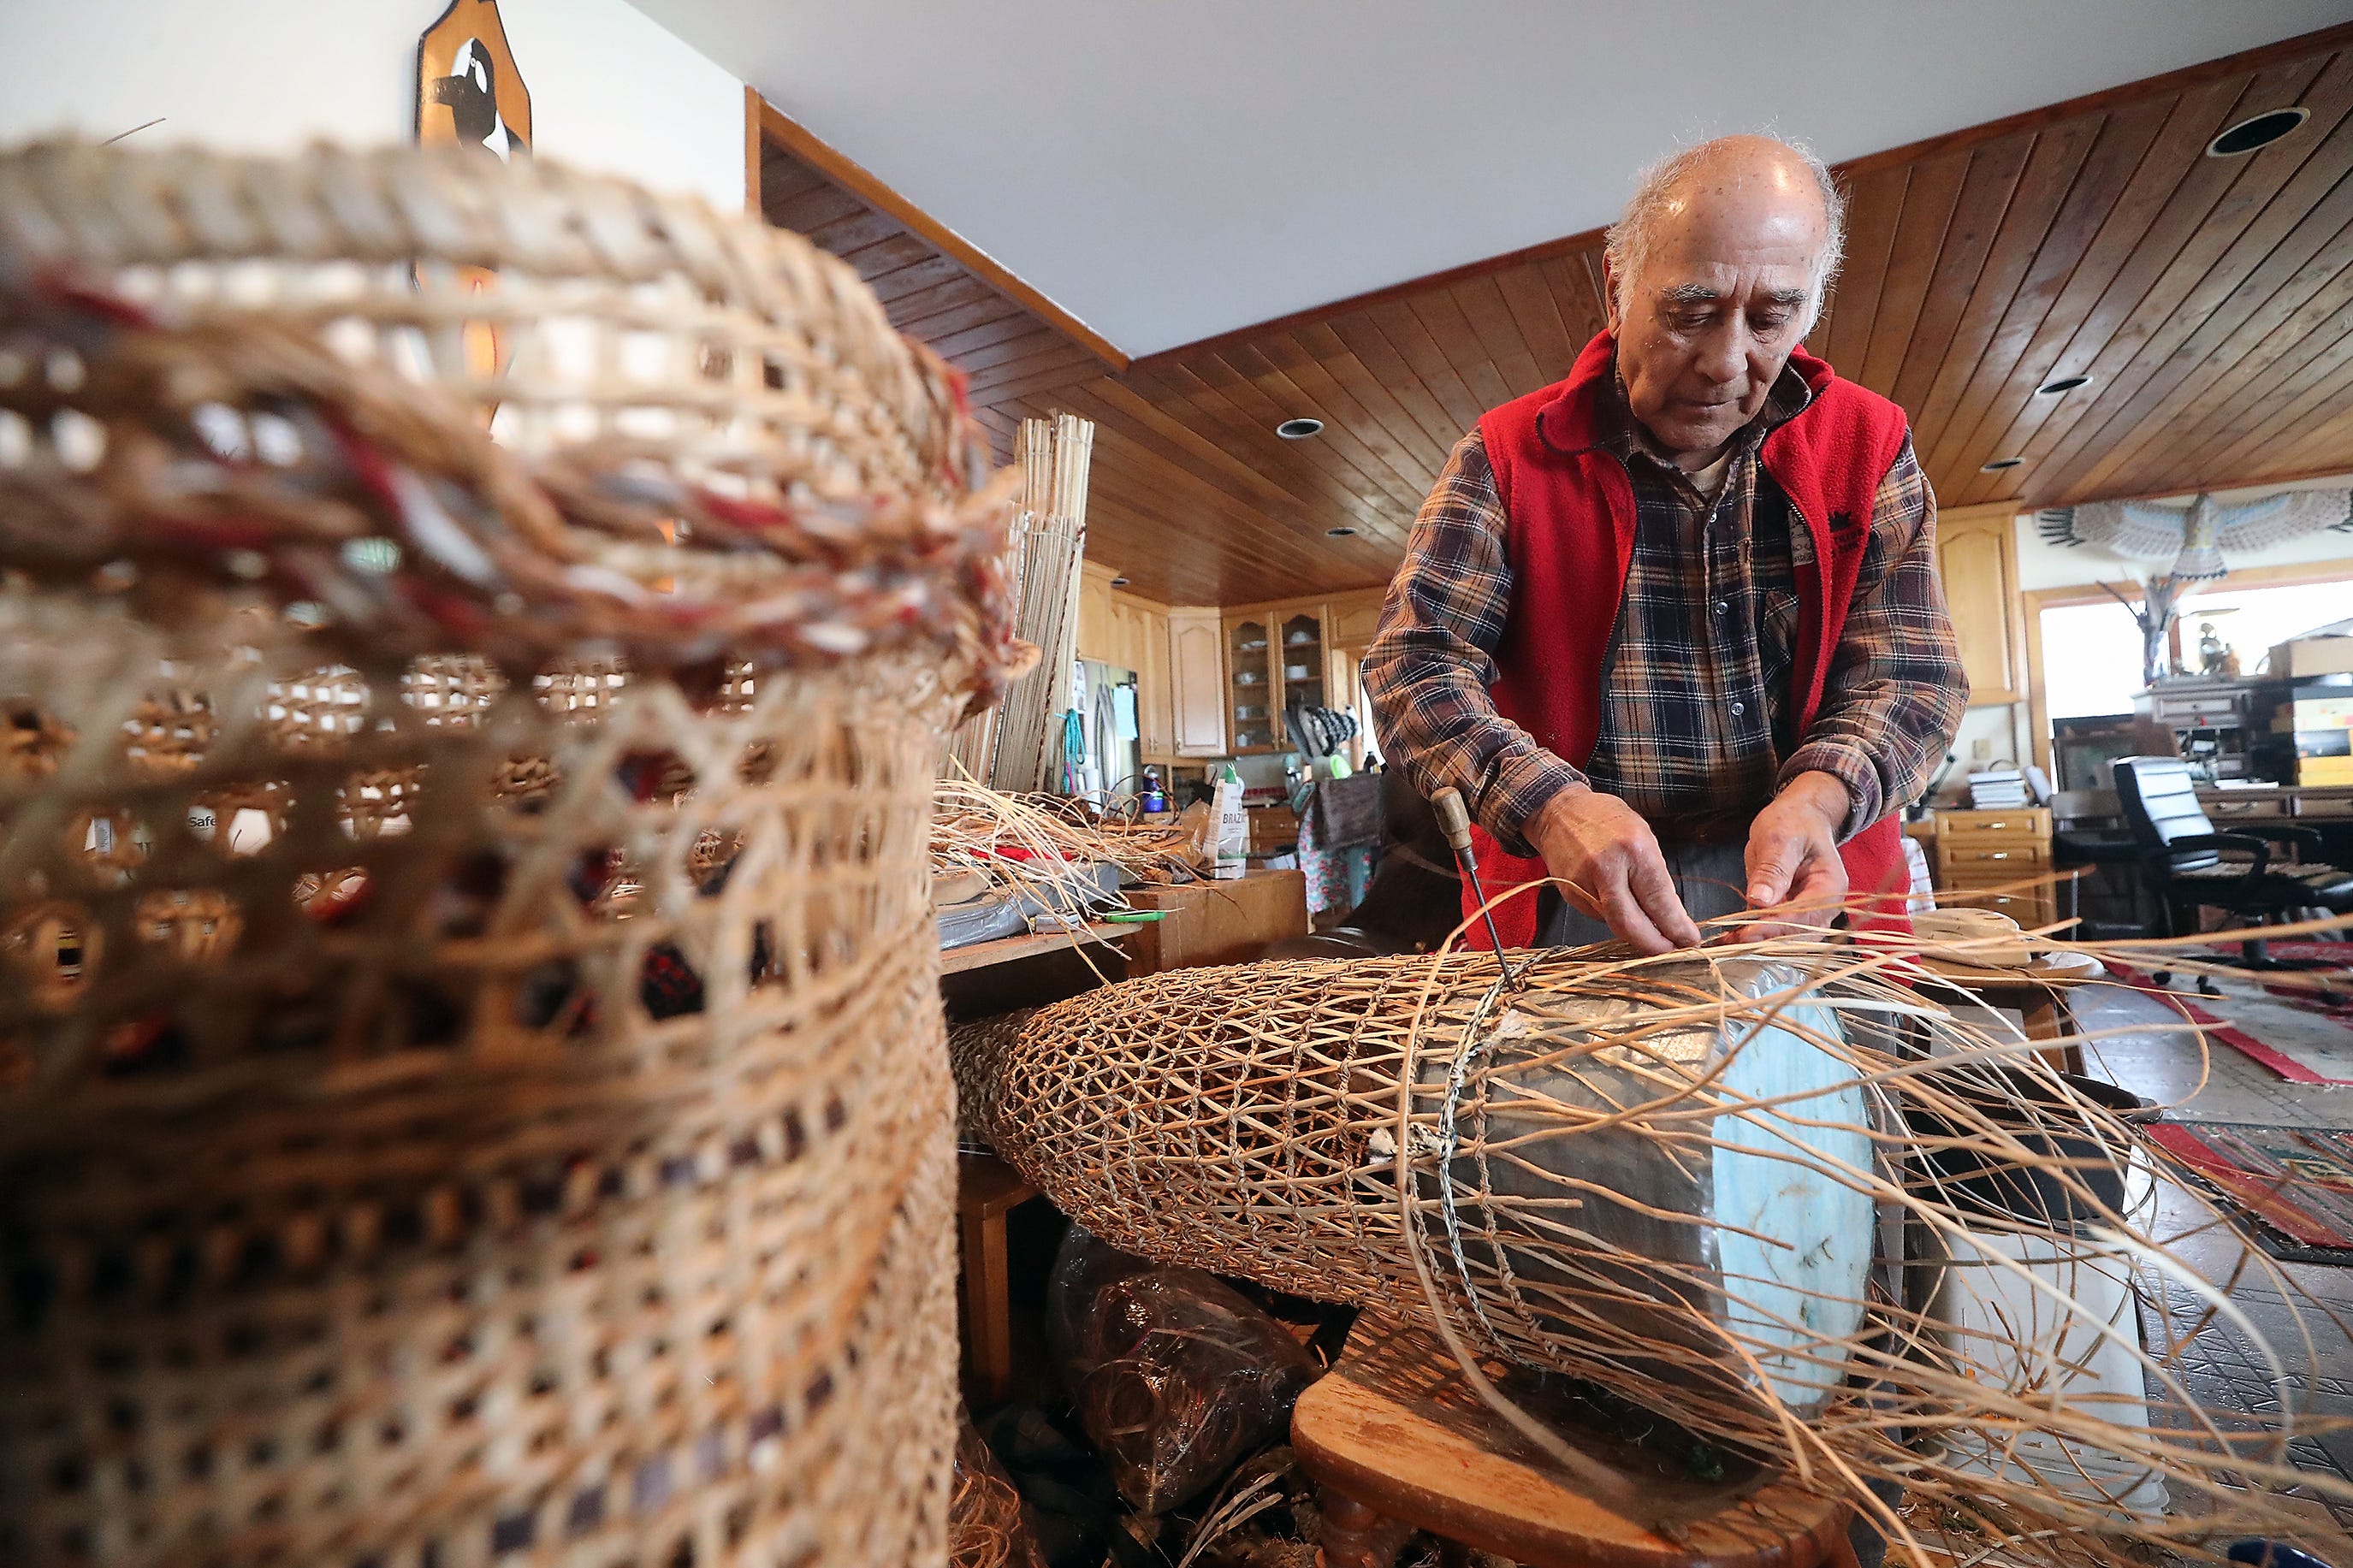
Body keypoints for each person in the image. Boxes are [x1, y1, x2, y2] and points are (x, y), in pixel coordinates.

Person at [1364, 134, 1967, 954]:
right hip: (1573, 884)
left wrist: (1821, 797)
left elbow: (1913, 677)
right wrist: (1548, 804)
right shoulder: (1506, 456)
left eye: (1771, 318)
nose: (1725, 362)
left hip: (1810, 881)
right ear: (1618, 287)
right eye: (1691, 313)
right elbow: (1414, 667)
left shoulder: (1867, 444)